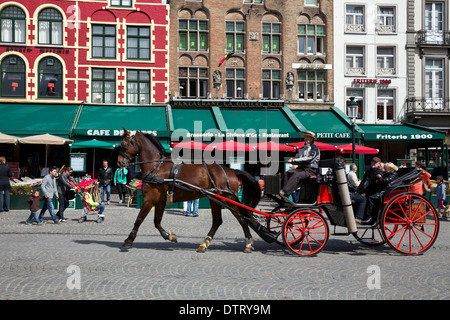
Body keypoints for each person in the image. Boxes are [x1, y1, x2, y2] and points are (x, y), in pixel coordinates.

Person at [280, 131, 320, 198]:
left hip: (311, 170)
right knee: (287, 173)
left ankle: (285, 192)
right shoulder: (301, 149)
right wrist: (292, 159)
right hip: (302, 169)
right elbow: (297, 158)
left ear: (311, 139)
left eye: (307, 137)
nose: (305, 138)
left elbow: (309, 159)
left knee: (296, 175)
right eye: (305, 137)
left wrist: (294, 160)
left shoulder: (314, 148)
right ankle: (282, 192)